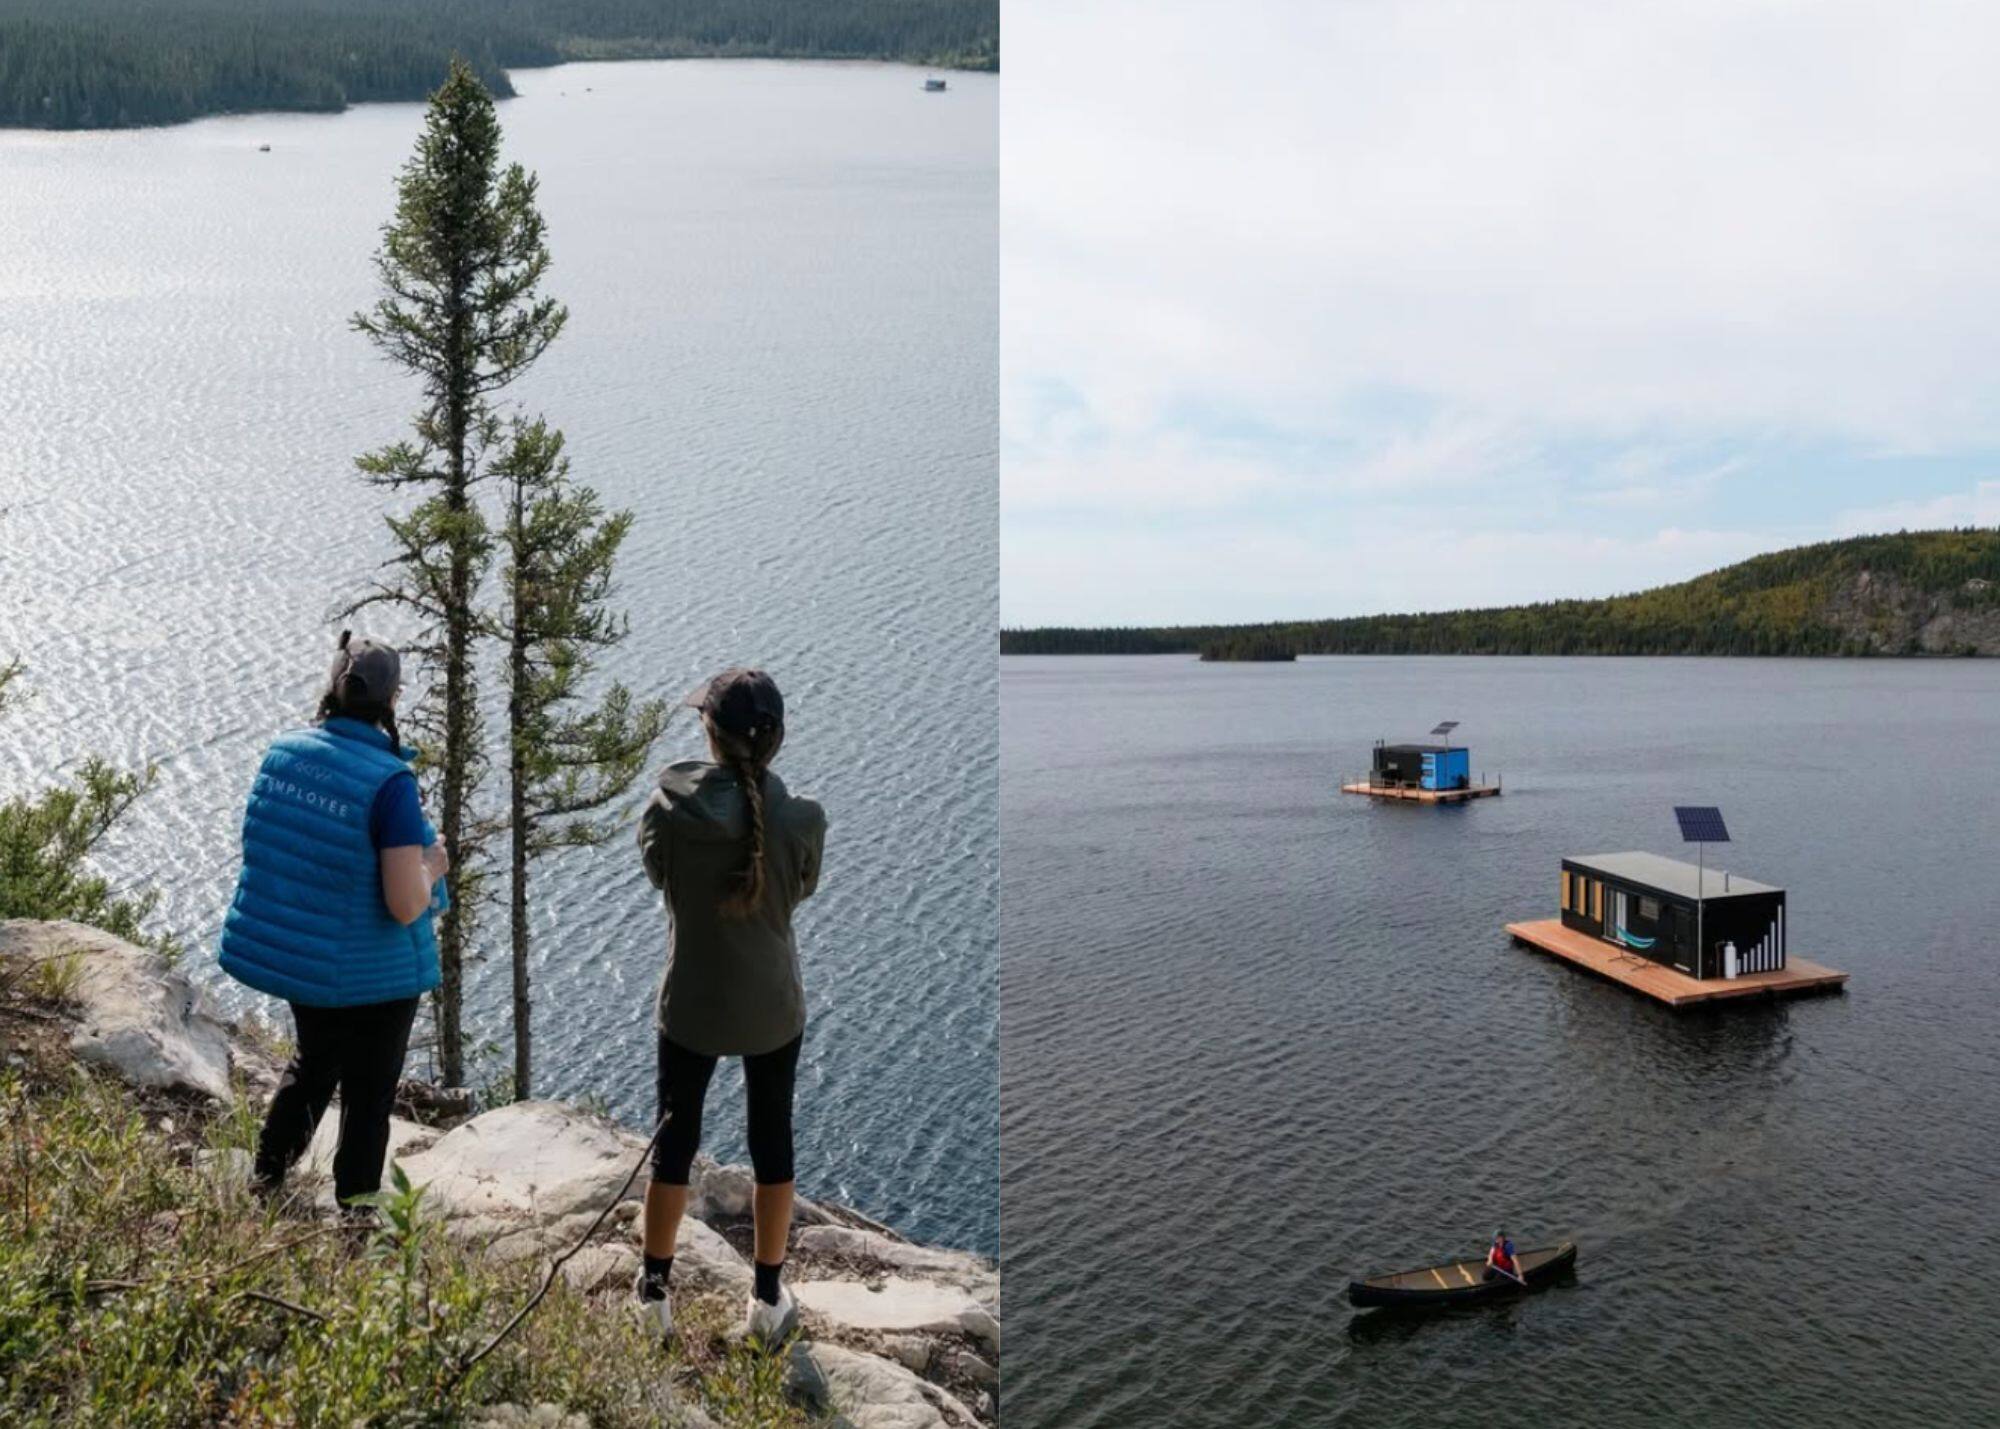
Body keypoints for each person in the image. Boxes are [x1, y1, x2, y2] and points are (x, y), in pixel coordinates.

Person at [216, 631, 446, 1212]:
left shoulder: (284, 754)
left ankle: (265, 1181)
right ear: (392, 700)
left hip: (308, 958)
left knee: (314, 1062)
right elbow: (405, 903)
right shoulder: (389, 783)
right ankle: (357, 1220)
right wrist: (433, 864)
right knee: (368, 1096)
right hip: (377, 973)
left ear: (332, 689)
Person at [632, 668, 826, 1345]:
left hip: (691, 1001)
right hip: (772, 1004)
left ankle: (653, 1296)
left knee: (673, 1144)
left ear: (710, 735)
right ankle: (767, 1297)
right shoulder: (802, 818)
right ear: (777, 738)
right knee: (772, 1140)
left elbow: (660, 875)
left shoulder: (667, 810)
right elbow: (800, 888)